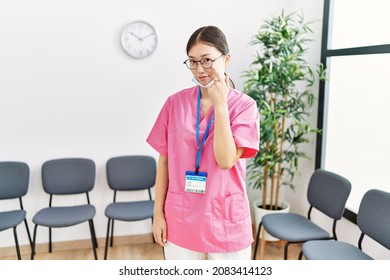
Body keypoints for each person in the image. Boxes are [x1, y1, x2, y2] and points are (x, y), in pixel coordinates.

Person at [146, 25, 259, 260]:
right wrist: (158, 213)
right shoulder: (174, 104)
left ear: (226, 59)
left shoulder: (244, 107)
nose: (200, 69)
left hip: (225, 216)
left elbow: (226, 160)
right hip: (181, 213)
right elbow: (164, 161)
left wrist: (220, 105)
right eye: (193, 62)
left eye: (207, 60)